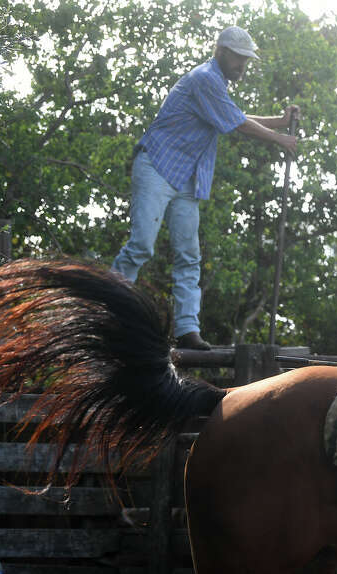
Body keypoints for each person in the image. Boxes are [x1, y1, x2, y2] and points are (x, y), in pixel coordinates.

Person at [110, 26, 299, 350]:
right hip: (157, 166)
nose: (242, 65)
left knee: (189, 255)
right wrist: (280, 139)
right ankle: (107, 308)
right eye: (239, 58)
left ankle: (187, 329)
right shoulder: (204, 78)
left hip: (187, 177)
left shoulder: (216, 85)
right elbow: (237, 122)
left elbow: (233, 114)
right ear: (221, 52)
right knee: (142, 244)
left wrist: (279, 123)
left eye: (246, 60)